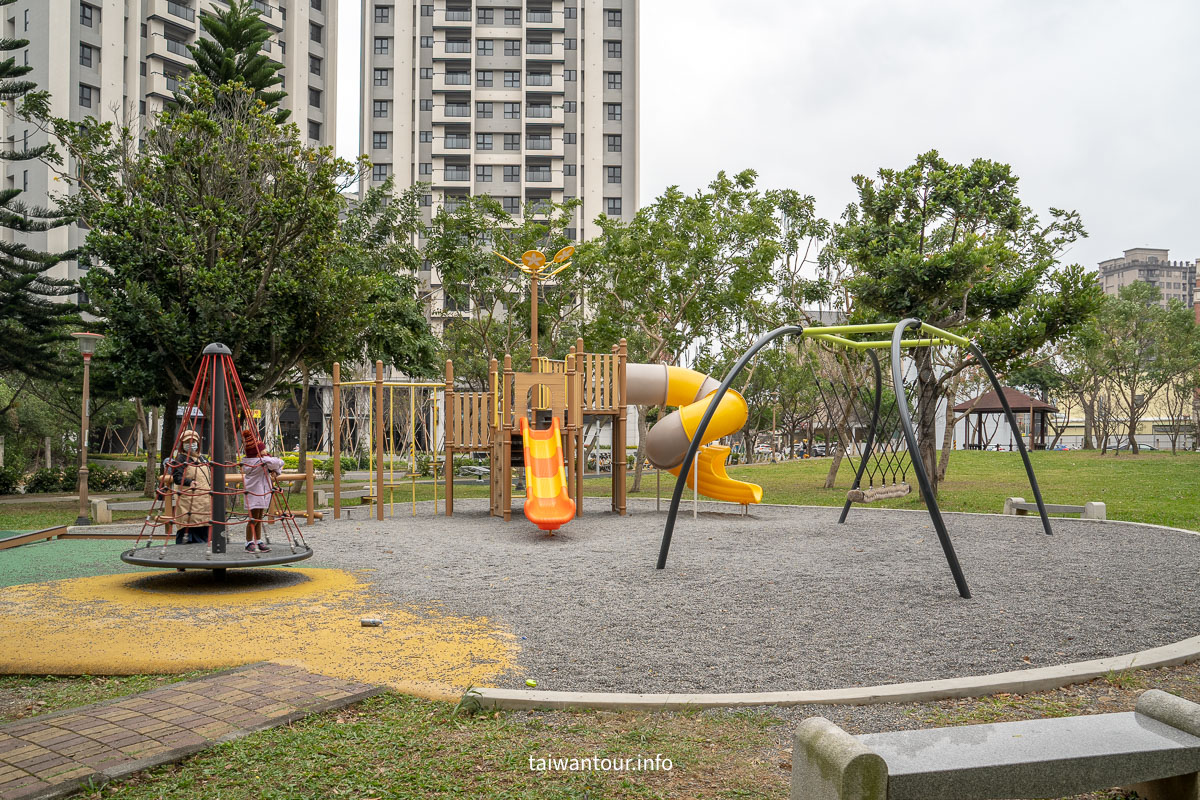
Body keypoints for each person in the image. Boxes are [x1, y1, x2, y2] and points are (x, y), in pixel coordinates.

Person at [240, 430, 283, 553]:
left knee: (258, 518)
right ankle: (249, 542)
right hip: (255, 493)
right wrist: (267, 456)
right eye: (263, 449)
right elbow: (278, 462)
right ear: (257, 452)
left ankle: (257, 540)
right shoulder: (260, 461)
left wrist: (273, 470)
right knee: (253, 519)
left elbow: (274, 466)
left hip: (259, 492)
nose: (265, 451)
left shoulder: (256, 461)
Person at [169, 429, 212, 545]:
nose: (191, 444)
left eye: (193, 441)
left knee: (204, 525)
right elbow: (177, 477)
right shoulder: (181, 459)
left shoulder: (202, 458)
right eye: (187, 442)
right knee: (189, 526)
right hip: (188, 501)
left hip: (204, 501)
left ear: (198, 443)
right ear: (182, 444)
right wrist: (189, 482)